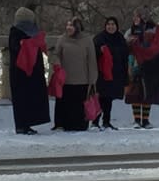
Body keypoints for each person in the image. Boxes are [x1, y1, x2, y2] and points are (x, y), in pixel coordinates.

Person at [8, 7, 50, 135]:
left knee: (30, 98)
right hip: (20, 71)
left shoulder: (33, 32)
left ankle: (28, 124)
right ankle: (22, 125)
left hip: (32, 71)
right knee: (22, 99)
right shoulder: (15, 32)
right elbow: (15, 48)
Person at [52, 18, 98, 131]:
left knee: (79, 106)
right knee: (64, 104)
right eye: (67, 25)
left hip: (82, 80)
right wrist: (57, 63)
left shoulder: (87, 40)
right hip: (65, 79)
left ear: (77, 27)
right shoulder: (62, 39)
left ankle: (80, 125)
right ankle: (61, 124)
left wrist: (92, 80)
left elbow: (92, 60)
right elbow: (55, 54)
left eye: (71, 25)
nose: (68, 28)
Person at [125, 6, 159, 129]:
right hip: (134, 63)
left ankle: (146, 120)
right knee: (135, 92)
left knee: (148, 92)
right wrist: (130, 42)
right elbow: (125, 45)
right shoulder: (130, 31)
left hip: (151, 64)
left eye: (140, 16)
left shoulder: (154, 30)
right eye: (136, 17)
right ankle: (137, 119)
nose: (137, 19)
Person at [92, 17, 129, 130]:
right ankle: (95, 121)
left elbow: (124, 57)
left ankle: (106, 121)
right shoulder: (99, 38)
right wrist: (100, 51)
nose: (111, 26)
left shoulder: (120, 39)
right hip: (102, 73)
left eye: (113, 24)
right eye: (108, 24)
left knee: (109, 98)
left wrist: (125, 75)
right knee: (101, 97)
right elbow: (93, 54)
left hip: (116, 73)